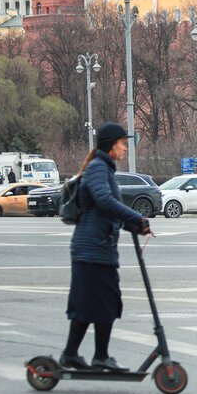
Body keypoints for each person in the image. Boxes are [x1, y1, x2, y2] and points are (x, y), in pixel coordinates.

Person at [61, 122, 150, 372]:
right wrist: (135, 218)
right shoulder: (98, 168)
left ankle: (80, 354)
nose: (125, 148)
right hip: (91, 249)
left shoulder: (104, 169)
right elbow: (104, 201)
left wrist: (134, 226)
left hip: (99, 248)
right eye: (123, 143)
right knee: (94, 303)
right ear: (112, 144)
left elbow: (106, 211)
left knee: (98, 303)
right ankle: (91, 355)